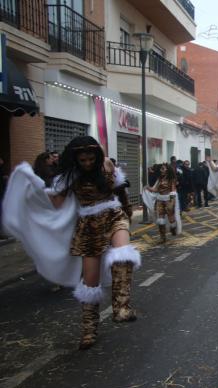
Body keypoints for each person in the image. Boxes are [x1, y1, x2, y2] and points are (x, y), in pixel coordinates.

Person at [2, 136, 141, 350]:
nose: (87, 163)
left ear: (97, 156)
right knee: (90, 283)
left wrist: (127, 210)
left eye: (90, 158)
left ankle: (121, 308)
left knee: (123, 254)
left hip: (114, 214)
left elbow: (119, 189)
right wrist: (35, 193)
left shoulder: (106, 164)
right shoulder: (67, 177)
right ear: (75, 159)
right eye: (82, 160)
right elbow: (57, 204)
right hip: (88, 225)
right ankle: (88, 331)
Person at [144, 163, 180, 243]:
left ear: (167, 170)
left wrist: (172, 202)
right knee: (160, 219)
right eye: (161, 169)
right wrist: (148, 188)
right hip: (160, 200)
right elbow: (155, 190)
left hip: (168, 200)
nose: (161, 170)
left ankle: (173, 228)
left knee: (171, 218)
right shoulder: (159, 179)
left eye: (163, 169)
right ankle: (162, 237)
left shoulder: (171, 179)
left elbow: (173, 191)